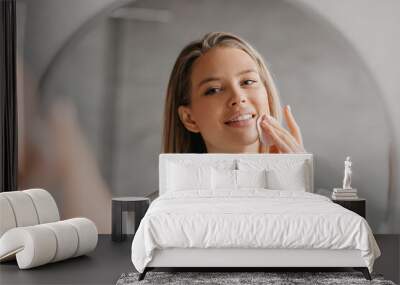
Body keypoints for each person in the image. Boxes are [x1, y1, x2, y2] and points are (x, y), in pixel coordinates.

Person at [162, 31, 305, 154]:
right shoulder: (166, 188)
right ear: (189, 118)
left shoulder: (311, 184)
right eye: (214, 90)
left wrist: (297, 181)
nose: (238, 97)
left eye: (248, 82)